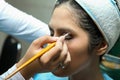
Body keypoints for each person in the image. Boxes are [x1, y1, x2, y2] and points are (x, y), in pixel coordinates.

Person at [0, 0, 120, 80]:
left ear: (100, 45)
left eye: (67, 36)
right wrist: (26, 70)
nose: (52, 45)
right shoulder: (41, 77)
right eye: (51, 33)